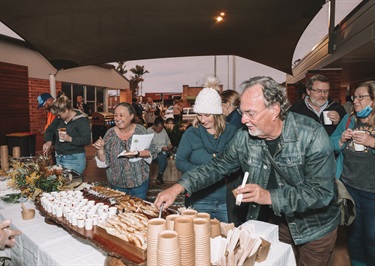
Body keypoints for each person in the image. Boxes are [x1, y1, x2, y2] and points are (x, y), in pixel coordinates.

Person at [156, 76, 340, 265]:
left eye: (250, 113)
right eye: (242, 112)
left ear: (274, 110)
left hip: (315, 229)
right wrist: (178, 187)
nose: (243, 120)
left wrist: (268, 197)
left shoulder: (312, 136)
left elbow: (321, 192)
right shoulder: (245, 138)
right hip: (280, 224)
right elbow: (217, 166)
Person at [175, 84, 238, 223]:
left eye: (207, 115)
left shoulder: (232, 132)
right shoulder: (191, 134)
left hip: (226, 200)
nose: (203, 119)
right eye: (199, 114)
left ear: (217, 113)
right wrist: (202, 173)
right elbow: (179, 161)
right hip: (199, 199)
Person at [330, 81, 375, 266]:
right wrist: (340, 139)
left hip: (372, 192)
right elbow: (330, 143)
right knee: (354, 234)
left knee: (372, 236)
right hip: (349, 188)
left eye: (361, 97)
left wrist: (372, 142)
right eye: (354, 97)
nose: (355, 101)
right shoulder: (348, 120)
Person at [93, 102, 158, 199]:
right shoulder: (110, 134)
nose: (117, 118)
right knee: (120, 212)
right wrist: (101, 150)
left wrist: (138, 154)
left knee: (139, 211)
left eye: (121, 115)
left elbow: (153, 151)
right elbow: (103, 162)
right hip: (117, 184)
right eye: (115, 115)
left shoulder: (140, 130)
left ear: (131, 116)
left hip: (139, 182)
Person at [43, 95, 91, 174]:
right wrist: (48, 141)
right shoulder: (60, 118)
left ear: (66, 110)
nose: (58, 117)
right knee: (62, 184)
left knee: (70, 184)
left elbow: (87, 140)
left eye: (60, 114)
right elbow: (50, 130)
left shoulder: (81, 120)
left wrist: (70, 139)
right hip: (59, 157)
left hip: (74, 159)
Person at [147, 117, 173, 185]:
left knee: (164, 154)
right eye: (159, 128)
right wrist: (160, 149)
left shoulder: (163, 130)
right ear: (155, 126)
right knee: (163, 156)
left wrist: (169, 144)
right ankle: (159, 176)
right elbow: (149, 146)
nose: (161, 130)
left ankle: (159, 177)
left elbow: (167, 140)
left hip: (164, 151)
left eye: (162, 128)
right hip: (155, 153)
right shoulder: (148, 132)